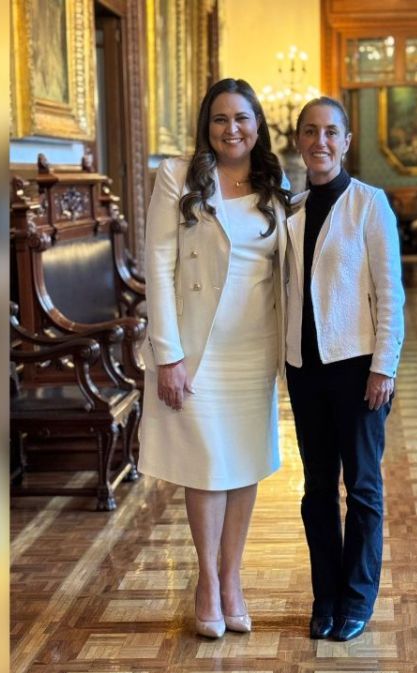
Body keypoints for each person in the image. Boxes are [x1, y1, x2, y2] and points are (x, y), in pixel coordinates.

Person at [139, 78, 291, 638]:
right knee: (206, 466)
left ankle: (233, 580)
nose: (233, 129)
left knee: (243, 462)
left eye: (243, 119)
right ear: (208, 125)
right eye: (221, 119)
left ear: (258, 126)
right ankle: (207, 581)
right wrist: (167, 354)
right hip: (196, 350)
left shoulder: (276, 186)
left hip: (253, 350)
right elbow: (157, 264)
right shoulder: (178, 177)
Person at [283, 96, 405, 642]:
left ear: (347, 140)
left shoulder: (370, 204)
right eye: (310, 132)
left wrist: (385, 367)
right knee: (315, 491)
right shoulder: (290, 209)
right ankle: (325, 596)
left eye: (330, 132)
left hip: (358, 371)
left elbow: (391, 294)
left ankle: (356, 599)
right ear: (299, 140)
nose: (320, 142)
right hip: (304, 368)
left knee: (361, 488)